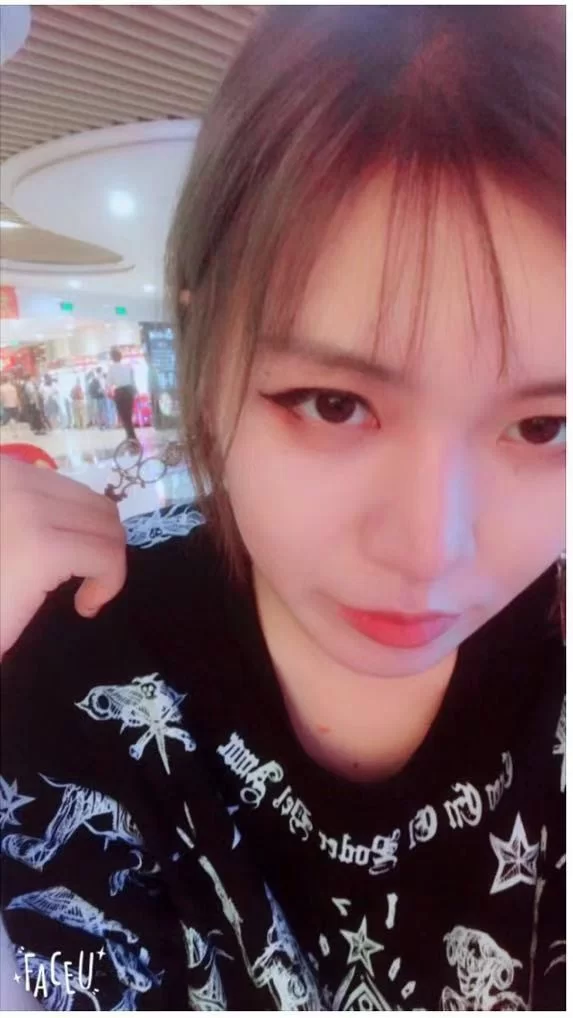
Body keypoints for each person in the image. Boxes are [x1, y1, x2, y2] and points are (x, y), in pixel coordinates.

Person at [0, 6, 565, 1012]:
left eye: (542, 426)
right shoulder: (64, 659)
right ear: (204, 353)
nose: (430, 549)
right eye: (333, 404)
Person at [108, 347, 137, 442]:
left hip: (120, 393)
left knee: (124, 416)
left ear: (112, 357)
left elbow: (109, 383)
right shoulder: (127, 366)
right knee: (128, 415)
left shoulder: (111, 368)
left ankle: (130, 436)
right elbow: (132, 380)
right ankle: (131, 435)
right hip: (129, 391)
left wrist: (109, 391)